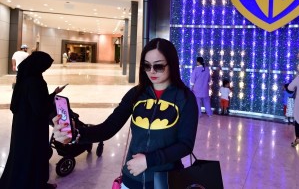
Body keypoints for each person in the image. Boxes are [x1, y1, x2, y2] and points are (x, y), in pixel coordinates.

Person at [52, 38, 198, 189]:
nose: (151, 71)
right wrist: (75, 134)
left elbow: (185, 145)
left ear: (172, 65)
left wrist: (149, 160)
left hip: (166, 180)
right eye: (146, 66)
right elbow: (108, 128)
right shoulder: (136, 94)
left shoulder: (185, 98)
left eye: (159, 66)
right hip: (131, 178)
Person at [0, 51, 66, 189]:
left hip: (22, 124)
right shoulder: (35, 81)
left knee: (22, 155)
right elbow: (40, 108)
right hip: (33, 128)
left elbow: (29, 103)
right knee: (34, 155)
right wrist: (52, 103)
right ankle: (37, 184)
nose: (45, 69)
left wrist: (54, 93)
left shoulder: (24, 78)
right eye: (45, 66)